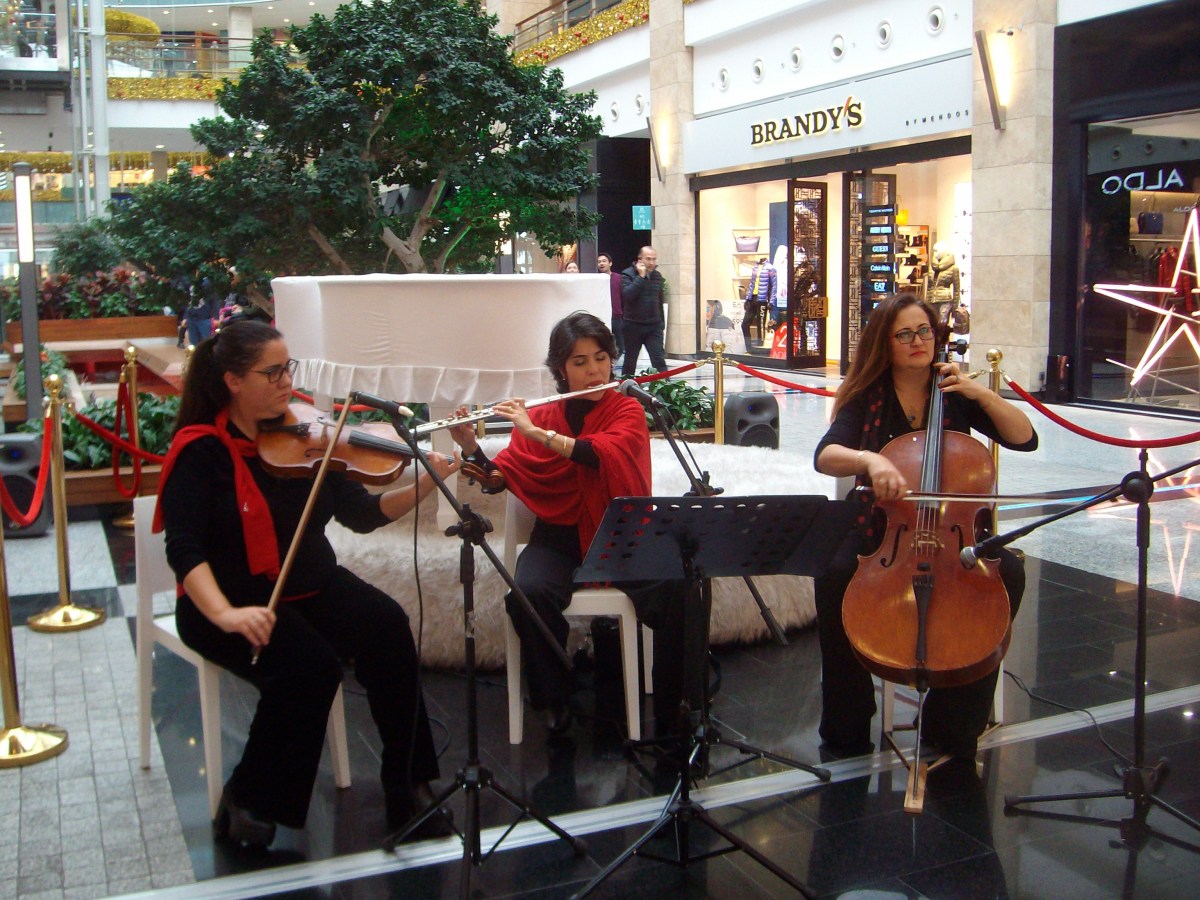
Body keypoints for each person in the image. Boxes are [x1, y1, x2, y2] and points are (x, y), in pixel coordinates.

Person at [154, 320, 457, 849]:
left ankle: (408, 786)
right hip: (225, 600)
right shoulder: (200, 452)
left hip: (310, 583)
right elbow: (185, 551)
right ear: (232, 381)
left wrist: (426, 484)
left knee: (387, 625)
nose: (286, 382)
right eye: (271, 372)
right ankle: (248, 798)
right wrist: (226, 614)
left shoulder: (308, 434)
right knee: (309, 669)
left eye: (287, 368)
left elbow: (361, 514)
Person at [448, 312, 699, 741]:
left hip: (621, 536)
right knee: (528, 594)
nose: (594, 370)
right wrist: (471, 446)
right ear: (561, 369)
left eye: (600, 358)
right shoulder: (544, 414)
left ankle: (677, 706)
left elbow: (597, 453)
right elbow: (499, 477)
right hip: (559, 538)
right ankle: (555, 700)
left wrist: (535, 432)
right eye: (579, 362)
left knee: (681, 585)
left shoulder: (626, 409)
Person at [812, 293, 1037, 760]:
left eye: (924, 331)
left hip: (953, 533)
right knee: (834, 575)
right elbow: (826, 456)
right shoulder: (867, 395)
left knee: (1009, 575)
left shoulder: (953, 392)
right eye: (904, 334)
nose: (918, 341)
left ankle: (952, 720)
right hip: (883, 528)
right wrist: (870, 459)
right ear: (884, 343)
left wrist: (980, 393)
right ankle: (847, 719)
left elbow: (1025, 438)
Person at [620, 246, 668, 377]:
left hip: (654, 326)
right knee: (630, 361)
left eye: (654, 259)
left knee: (659, 360)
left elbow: (659, 301)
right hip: (633, 325)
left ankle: (666, 387)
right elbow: (627, 295)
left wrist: (661, 324)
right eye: (648, 259)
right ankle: (627, 386)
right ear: (640, 259)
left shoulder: (657, 276)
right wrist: (640, 277)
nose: (651, 262)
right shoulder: (627, 274)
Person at [741, 257, 776, 350]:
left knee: (760, 326)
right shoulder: (755, 267)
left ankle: (761, 348)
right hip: (752, 298)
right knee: (744, 324)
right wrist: (747, 298)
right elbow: (752, 284)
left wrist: (771, 301)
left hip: (762, 299)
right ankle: (748, 347)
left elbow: (774, 286)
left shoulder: (770, 268)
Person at [597, 252, 624, 361]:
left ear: (610, 263)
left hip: (617, 317)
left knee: (620, 346)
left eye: (604, 261)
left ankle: (613, 364)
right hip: (601, 318)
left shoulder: (619, 278)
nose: (601, 263)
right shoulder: (595, 279)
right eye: (599, 262)